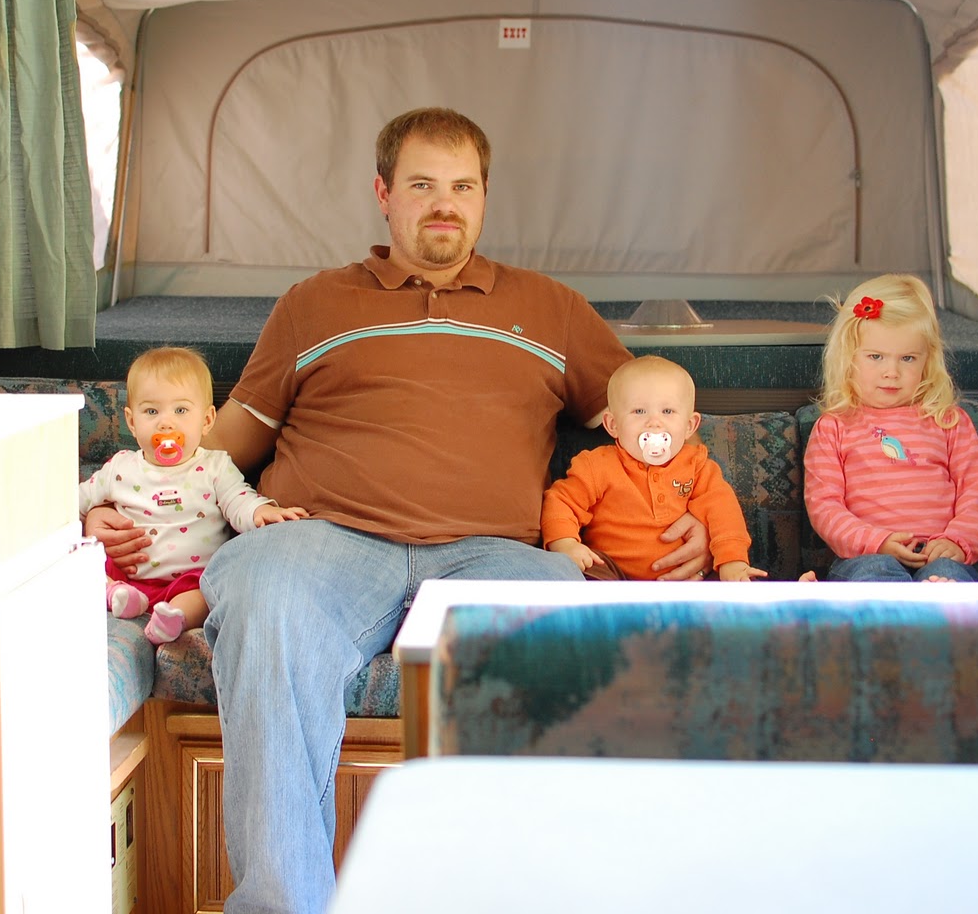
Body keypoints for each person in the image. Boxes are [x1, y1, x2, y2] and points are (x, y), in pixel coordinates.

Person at [85, 107, 715, 914]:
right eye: (422, 185)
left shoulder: (553, 309)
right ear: (383, 194)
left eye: (462, 187)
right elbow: (216, 446)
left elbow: (653, 422)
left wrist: (697, 511)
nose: (444, 203)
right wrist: (114, 501)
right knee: (265, 598)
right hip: (321, 541)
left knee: (556, 615)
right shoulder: (314, 303)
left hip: (494, 552)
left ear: (485, 196)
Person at [79, 345, 306, 643]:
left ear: (207, 420)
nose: (166, 422)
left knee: (207, 593)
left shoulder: (215, 467)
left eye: (181, 410)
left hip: (190, 579)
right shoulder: (120, 468)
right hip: (128, 574)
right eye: (151, 411)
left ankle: (173, 618)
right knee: (84, 566)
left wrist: (261, 512)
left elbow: (238, 499)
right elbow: (76, 501)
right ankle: (115, 594)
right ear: (132, 422)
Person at [801, 273, 978, 582]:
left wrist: (958, 541)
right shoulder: (833, 427)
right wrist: (876, 541)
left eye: (907, 358)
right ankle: (892, 610)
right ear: (848, 358)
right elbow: (824, 506)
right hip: (865, 556)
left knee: (948, 575)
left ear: (927, 362)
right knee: (874, 573)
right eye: (876, 357)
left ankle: (939, 605)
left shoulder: (947, 421)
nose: (891, 372)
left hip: (940, 554)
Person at [542, 356, 763, 581]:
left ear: (689, 426)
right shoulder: (595, 465)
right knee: (585, 571)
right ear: (613, 425)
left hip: (685, 579)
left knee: (737, 582)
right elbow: (562, 502)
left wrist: (733, 562)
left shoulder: (698, 467)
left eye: (667, 411)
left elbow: (724, 514)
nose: (654, 422)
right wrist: (566, 544)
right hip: (613, 573)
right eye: (639, 411)